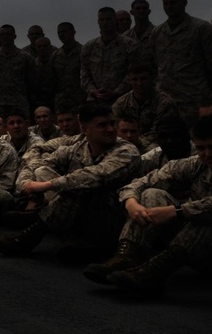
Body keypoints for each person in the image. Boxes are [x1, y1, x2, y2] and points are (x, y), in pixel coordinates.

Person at [0, 103, 141, 263]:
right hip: (83, 215)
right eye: (102, 125)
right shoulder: (78, 147)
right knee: (50, 175)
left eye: (112, 124)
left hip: (116, 218)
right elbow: (38, 163)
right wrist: (26, 183)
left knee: (79, 187)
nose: (111, 129)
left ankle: (32, 234)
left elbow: (95, 176)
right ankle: (75, 239)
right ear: (86, 130)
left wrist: (47, 185)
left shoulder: (127, 150)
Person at [83, 116, 212, 294]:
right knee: (151, 194)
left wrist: (177, 211)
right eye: (201, 148)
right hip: (192, 248)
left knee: (203, 220)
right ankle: (127, 256)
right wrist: (131, 203)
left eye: (211, 147)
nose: (207, 154)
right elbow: (143, 182)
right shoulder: (196, 163)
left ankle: (154, 271)